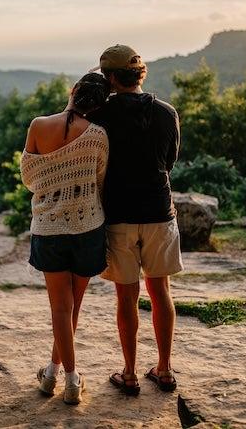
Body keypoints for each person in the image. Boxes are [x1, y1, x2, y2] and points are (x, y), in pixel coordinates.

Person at [87, 44, 182, 396]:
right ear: (140, 73)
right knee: (161, 293)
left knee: (125, 298)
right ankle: (165, 369)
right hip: (159, 211)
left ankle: (128, 373)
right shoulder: (167, 111)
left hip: (119, 216)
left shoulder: (100, 115)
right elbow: (169, 160)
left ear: (111, 78)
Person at [20, 72, 111, 405]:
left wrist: (54, 174)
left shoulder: (38, 125)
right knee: (73, 308)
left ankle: (63, 377)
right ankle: (58, 375)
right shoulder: (99, 135)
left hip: (49, 228)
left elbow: (30, 178)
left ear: (73, 91)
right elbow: (100, 181)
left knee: (60, 308)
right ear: (99, 106)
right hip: (88, 228)